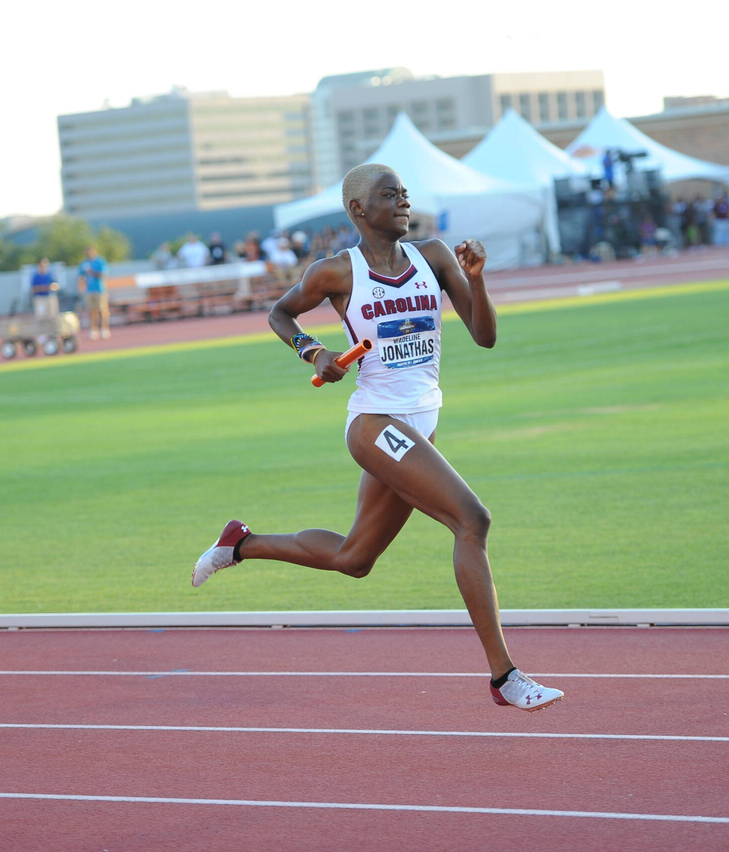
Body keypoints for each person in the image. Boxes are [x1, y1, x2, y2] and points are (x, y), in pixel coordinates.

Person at [192, 164, 563, 712]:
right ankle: (504, 678)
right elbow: (280, 313)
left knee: (354, 557)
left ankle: (239, 544)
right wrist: (314, 352)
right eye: (390, 194)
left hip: (421, 423)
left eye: (405, 192)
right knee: (472, 520)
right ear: (359, 210)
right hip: (374, 424)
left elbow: (484, 337)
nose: (403, 200)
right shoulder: (335, 272)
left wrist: (477, 277)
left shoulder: (432, 257)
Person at [78, 245, 110, 340]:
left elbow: (102, 274)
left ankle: (105, 328)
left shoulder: (100, 261)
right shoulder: (84, 263)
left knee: (102, 310)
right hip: (89, 290)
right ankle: (94, 329)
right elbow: (81, 276)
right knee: (92, 311)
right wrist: (80, 286)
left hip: (100, 290)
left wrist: (91, 272)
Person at [30, 257, 60, 322]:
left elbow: (56, 286)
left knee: (52, 316)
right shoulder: (36, 277)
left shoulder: (50, 275)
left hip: (50, 297)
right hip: (40, 298)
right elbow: (33, 289)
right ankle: (42, 331)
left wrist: (48, 287)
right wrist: (45, 288)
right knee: (41, 317)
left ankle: (52, 330)